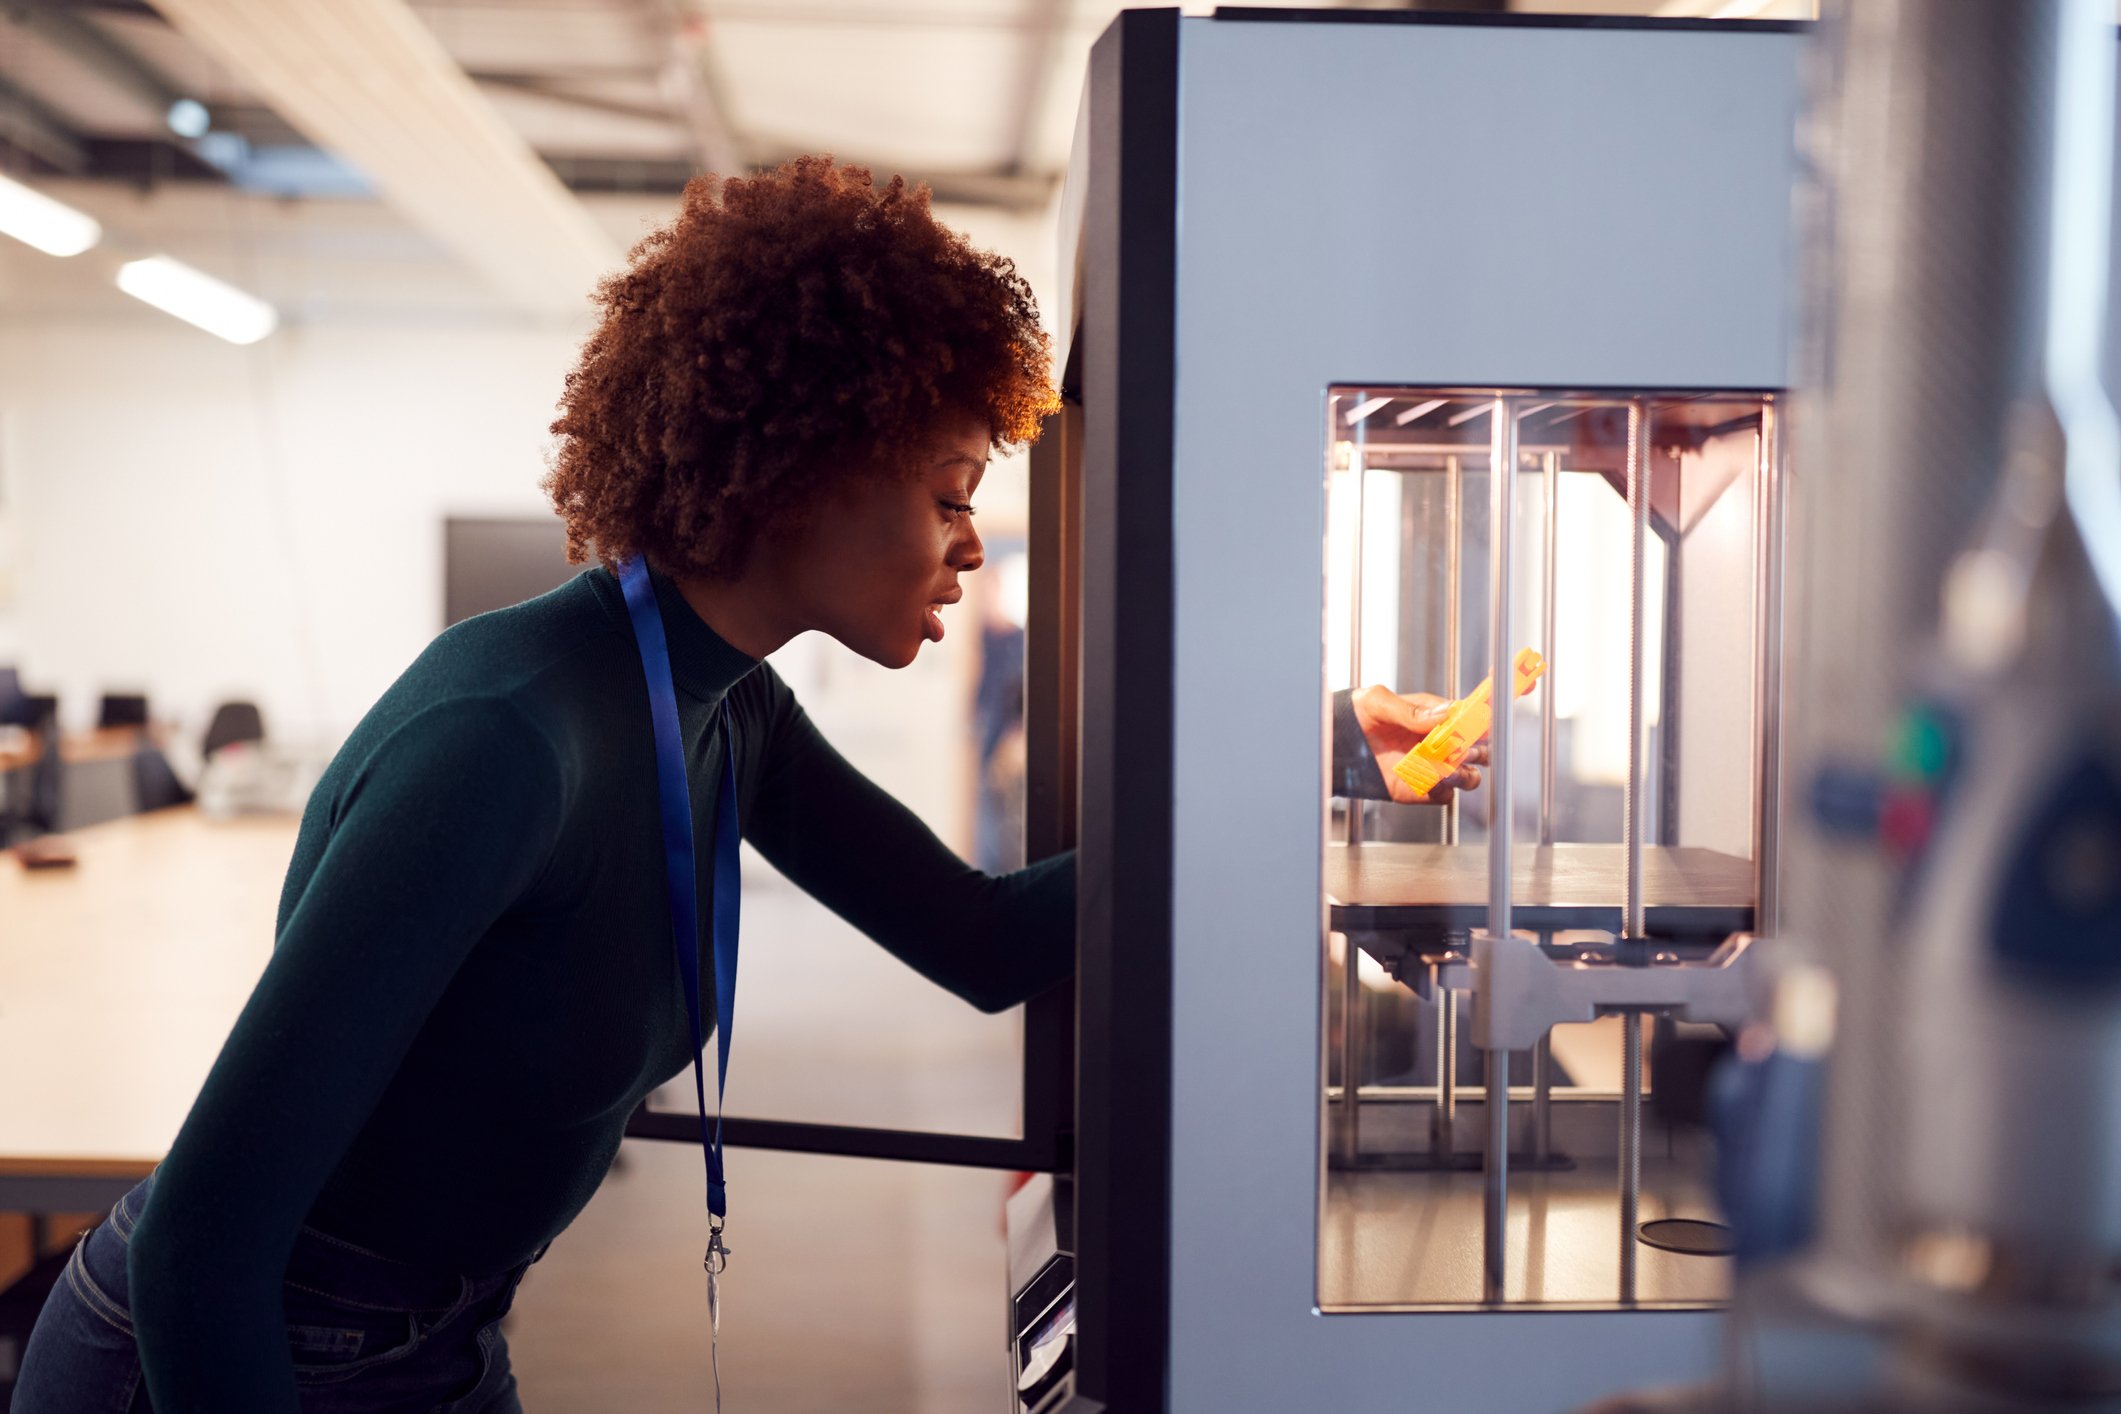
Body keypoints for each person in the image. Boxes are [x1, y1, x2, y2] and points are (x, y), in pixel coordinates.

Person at [13, 156, 1479, 1413]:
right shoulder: (506, 739)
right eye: (951, 494)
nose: (973, 547)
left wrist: (1311, 752)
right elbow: (203, 1242)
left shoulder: (726, 707)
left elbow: (979, 940)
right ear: (803, 470)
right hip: (227, 1358)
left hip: (439, 1341)